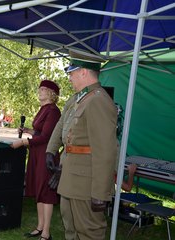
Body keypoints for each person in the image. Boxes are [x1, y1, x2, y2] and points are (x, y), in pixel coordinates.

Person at [46, 51, 118, 240]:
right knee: (72, 231)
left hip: (87, 184)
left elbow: (105, 152)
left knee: (89, 233)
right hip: (73, 179)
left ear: (84, 72)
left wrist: (100, 192)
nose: (69, 77)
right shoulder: (84, 98)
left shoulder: (99, 101)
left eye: (72, 72)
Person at [11, 80, 61, 240]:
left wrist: (23, 142)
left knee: (46, 192)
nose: (39, 91)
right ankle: (39, 227)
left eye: (43, 89)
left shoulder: (53, 111)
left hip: (47, 155)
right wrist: (27, 130)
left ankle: (46, 232)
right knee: (39, 189)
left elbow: (46, 137)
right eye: (39, 88)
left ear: (52, 94)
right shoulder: (43, 109)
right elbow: (40, 132)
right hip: (37, 153)